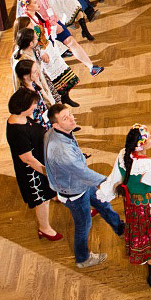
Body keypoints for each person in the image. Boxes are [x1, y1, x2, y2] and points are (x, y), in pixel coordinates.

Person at [96, 125, 151, 287]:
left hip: (133, 206)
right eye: (149, 136)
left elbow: (115, 178)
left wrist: (105, 193)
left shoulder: (123, 155)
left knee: (143, 237)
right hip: (149, 208)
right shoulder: (146, 165)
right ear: (140, 145)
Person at [43, 104, 125, 268]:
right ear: (56, 125)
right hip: (74, 192)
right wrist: (111, 183)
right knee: (84, 225)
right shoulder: (62, 152)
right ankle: (83, 259)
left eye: (70, 114)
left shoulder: (53, 133)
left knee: (102, 202)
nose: (72, 119)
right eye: (65, 118)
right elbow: (83, 173)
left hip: (79, 184)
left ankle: (120, 228)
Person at [6, 88, 61, 241]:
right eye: (33, 104)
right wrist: (46, 172)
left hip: (40, 161)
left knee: (48, 192)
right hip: (32, 172)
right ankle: (44, 228)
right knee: (41, 198)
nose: (36, 106)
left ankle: (54, 195)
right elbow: (27, 159)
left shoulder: (24, 117)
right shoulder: (17, 131)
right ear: (23, 106)